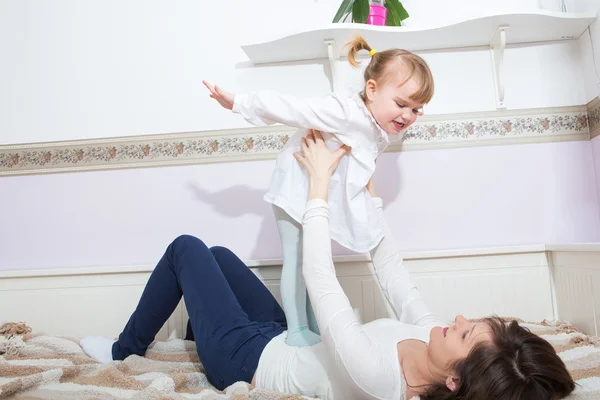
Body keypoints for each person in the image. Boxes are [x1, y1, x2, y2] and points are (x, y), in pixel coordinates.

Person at [81, 130, 575, 400]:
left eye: (467, 334)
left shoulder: (378, 379)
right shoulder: (433, 339)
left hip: (248, 361)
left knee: (186, 247)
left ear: (453, 381)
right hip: (285, 336)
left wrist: (319, 186)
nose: (459, 320)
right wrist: (369, 197)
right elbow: (392, 271)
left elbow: (320, 279)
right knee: (219, 258)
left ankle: (124, 351)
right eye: (473, 323)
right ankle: (197, 338)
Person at [203, 35, 434, 347]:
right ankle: (297, 329)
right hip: (293, 188)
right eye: (402, 104)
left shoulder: (380, 129)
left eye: (417, 110)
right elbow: (294, 109)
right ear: (372, 90)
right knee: (298, 262)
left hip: (316, 197)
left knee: (316, 262)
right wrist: (239, 102)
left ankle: (313, 326)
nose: (408, 116)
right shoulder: (347, 111)